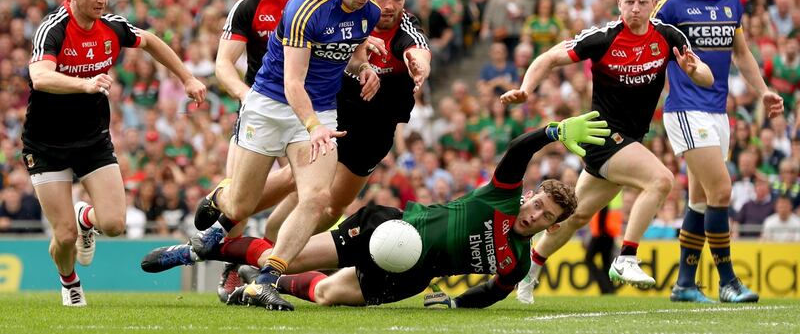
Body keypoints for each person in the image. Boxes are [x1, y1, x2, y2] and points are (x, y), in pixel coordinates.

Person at [143, 0, 432, 301]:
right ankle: (232, 224)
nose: (388, 4)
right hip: (327, 114)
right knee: (290, 188)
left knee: (326, 207)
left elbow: (418, 49)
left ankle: (254, 260)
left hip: (372, 134)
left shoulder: (395, 25)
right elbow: (299, 72)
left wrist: (417, 64)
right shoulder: (336, 8)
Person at [170, 112, 607, 309]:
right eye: (537, 204)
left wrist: (456, 306)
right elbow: (517, 150)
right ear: (529, 196)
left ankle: (264, 283)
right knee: (288, 253)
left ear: (552, 226)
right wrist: (551, 131)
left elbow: (494, 291)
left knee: (325, 294)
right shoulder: (502, 197)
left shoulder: (516, 260)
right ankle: (208, 249)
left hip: (412, 277)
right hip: (392, 228)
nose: (534, 215)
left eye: (546, 216)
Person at [188, 0, 385, 311]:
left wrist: (364, 68)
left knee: (317, 198)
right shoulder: (304, 7)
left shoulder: (368, 12)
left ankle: (265, 280)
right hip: (270, 105)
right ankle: (219, 199)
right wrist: (313, 126)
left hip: (320, 111)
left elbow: (351, 55)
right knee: (241, 204)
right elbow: (294, 82)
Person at [502, 0, 713, 302]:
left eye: (643, 2)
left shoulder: (669, 36)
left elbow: (706, 76)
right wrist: (526, 89)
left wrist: (692, 69)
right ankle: (626, 256)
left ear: (654, 4)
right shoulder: (602, 37)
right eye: (629, 2)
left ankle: (530, 271)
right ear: (619, 3)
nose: (635, 9)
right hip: (601, 136)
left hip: (629, 140)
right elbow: (549, 57)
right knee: (661, 180)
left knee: (576, 216)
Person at [22, 0, 206, 306]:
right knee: (62, 236)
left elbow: (150, 41)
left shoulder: (111, 26)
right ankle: (70, 282)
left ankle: (85, 217)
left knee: (114, 224)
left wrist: (187, 77)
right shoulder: (54, 28)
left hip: (92, 140)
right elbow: (40, 77)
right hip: (46, 144)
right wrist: (85, 83)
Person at [653, 0, 783, 303]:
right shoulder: (672, 5)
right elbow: (645, 44)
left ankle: (684, 284)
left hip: (717, 111)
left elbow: (741, 54)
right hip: (685, 110)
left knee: (698, 201)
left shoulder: (732, 3)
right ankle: (728, 282)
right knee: (722, 191)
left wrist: (763, 92)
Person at [209, 0, 311, 292]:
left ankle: (272, 250)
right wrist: (244, 94)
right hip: (262, 111)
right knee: (237, 202)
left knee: (313, 194)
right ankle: (234, 265)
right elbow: (223, 63)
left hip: (305, 114)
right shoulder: (250, 4)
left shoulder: (319, 0)